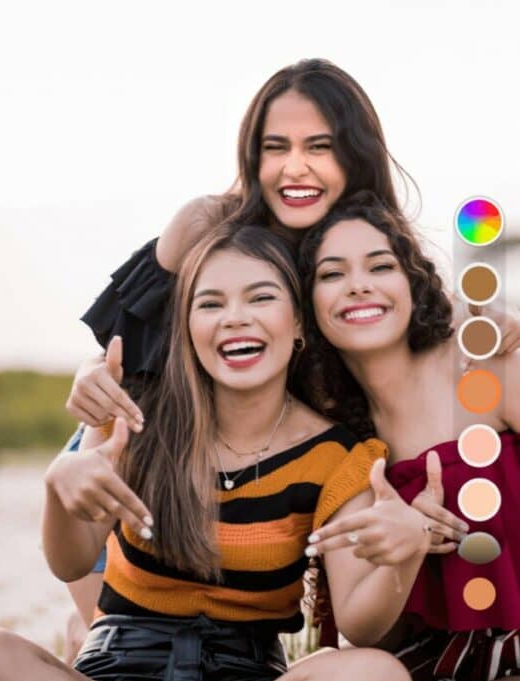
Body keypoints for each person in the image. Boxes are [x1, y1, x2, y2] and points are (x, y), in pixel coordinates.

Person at [0, 224, 439, 681]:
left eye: (261, 297)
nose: (235, 317)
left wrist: (402, 557)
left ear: (299, 323)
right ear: (187, 328)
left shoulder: (338, 456)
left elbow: (361, 625)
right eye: (211, 303)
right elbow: (69, 559)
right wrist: (62, 486)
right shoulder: (136, 420)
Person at [65, 58, 520, 630]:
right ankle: (94, 638)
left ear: (355, 156)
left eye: (319, 147)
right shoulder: (210, 225)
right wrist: (89, 372)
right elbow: (129, 345)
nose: (294, 167)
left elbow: (419, 313)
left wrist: (489, 316)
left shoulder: (367, 245)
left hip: (292, 440)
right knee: (92, 485)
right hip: (155, 433)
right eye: (275, 147)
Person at [297, 191, 520, 681]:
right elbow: (369, 632)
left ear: (413, 280)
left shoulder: (483, 367)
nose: (358, 286)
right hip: (445, 666)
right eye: (331, 274)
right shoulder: (333, 439)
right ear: (305, 304)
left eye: (380, 265)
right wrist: (408, 549)